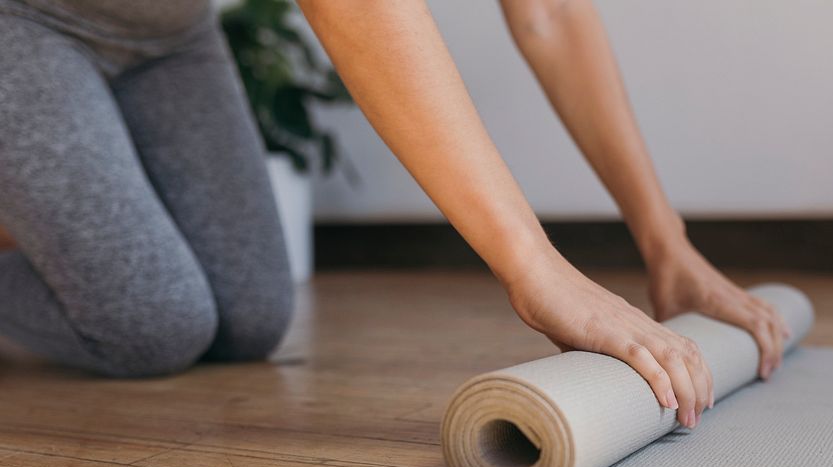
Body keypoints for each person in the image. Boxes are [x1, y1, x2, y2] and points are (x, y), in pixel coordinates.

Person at [0, 0, 787, 430]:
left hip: (168, 34)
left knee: (250, 317)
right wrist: (535, 269)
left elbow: (548, 12)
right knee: (152, 326)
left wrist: (665, 244)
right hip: (22, 21)